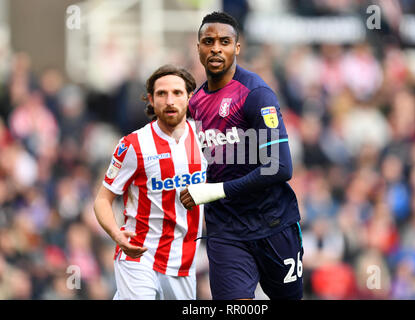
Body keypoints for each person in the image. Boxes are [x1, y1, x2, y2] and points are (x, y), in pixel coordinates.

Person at [180, 11, 303, 300]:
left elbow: (280, 167)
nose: (215, 48)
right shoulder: (194, 104)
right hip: (226, 231)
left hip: (273, 223)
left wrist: (214, 191)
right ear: (198, 47)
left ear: (237, 47)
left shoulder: (256, 94)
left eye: (224, 41)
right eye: (208, 41)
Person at [94, 65, 207, 300]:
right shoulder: (133, 145)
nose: (170, 100)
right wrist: (116, 233)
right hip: (138, 253)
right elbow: (103, 200)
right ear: (151, 100)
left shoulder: (207, 140)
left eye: (177, 93)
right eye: (162, 94)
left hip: (183, 260)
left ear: (190, 97)